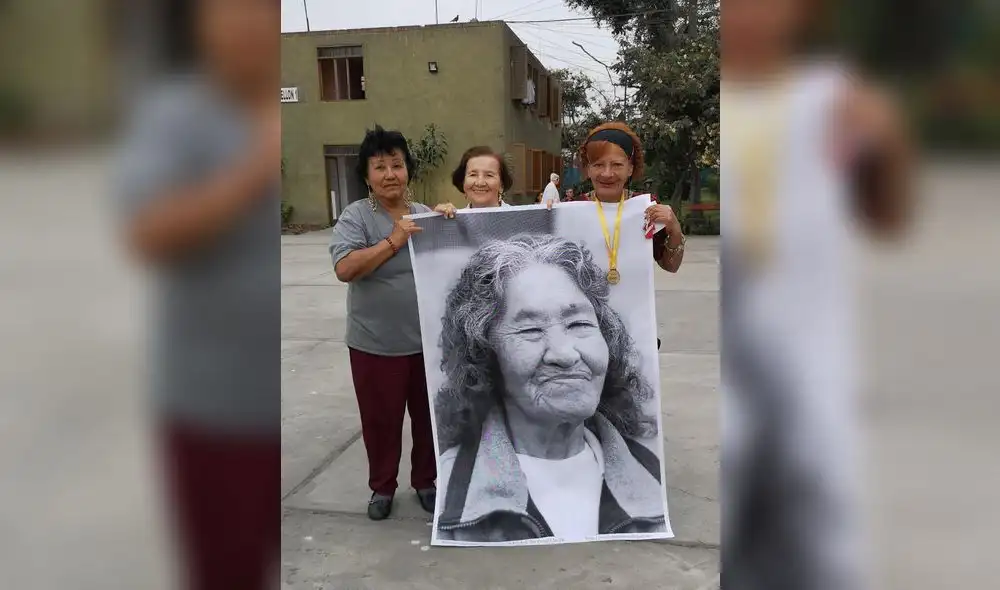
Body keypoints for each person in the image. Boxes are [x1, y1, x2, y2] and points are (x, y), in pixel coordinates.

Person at [721, 0, 912, 589]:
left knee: (820, 526)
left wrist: (890, 143)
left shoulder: (834, 98)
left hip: (810, 341)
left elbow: (888, 218)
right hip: (729, 347)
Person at [114, 0, 280, 587]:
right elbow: (146, 234)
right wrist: (252, 167)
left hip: (281, 408)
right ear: (202, 24)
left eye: (262, 12)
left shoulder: (283, 107)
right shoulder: (176, 113)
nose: (247, 27)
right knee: (225, 569)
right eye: (228, 13)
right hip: (214, 406)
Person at [434, 233, 667, 543]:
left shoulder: (650, 474)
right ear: (484, 356)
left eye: (579, 324)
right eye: (530, 330)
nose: (565, 354)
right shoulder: (453, 492)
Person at [328, 125, 438, 521]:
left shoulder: (425, 215)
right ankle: (382, 488)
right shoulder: (355, 216)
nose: (390, 174)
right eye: (380, 167)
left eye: (397, 164)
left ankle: (427, 481)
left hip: (426, 343)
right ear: (367, 175)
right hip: (375, 344)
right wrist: (394, 239)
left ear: (408, 169)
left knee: (428, 420)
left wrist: (450, 219)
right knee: (380, 422)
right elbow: (345, 268)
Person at [579, 122, 687, 274]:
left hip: (635, 297)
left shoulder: (646, 209)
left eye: (617, 165)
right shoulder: (571, 207)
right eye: (598, 165)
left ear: (630, 168)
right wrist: (543, 214)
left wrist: (675, 230)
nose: (607, 173)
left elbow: (671, 266)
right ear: (588, 169)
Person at [433, 146, 513, 218]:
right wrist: (436, 224)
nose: (480, 183)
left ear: (501, 184)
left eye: (489, 175)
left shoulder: (519, 220)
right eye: (473, 175)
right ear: (463, 181)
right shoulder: (455, 221)